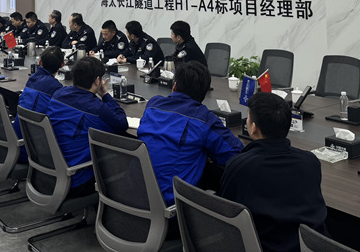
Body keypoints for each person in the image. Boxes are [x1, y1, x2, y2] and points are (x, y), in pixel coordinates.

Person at [219, 92, 329, 252]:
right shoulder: (311, 161)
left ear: (253, 128)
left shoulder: (240, 165)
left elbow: (227, 213)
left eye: (248, 118)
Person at [138, 62, 243, 206]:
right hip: (169, 206)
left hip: (131, 192)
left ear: (174, 86)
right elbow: (236, 155)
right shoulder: (204, 118)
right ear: (204, 94)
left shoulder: (153, 104)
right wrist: (207, 151)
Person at [47, 56, 128, 196]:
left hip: (50, 170)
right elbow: (122, 124)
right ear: (97, 80)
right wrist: (105, 95)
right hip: (76, 179)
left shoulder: (58, 94)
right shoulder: (97, 108)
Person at [14, 46, 65, 160]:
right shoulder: (56, 88)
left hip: (16, 144)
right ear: (62, 65)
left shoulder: (32, 79)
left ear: (40, 62)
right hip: (35, 152)